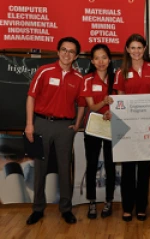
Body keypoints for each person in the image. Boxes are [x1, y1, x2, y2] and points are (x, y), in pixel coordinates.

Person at [25, 37, 85, 225]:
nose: (67, 54)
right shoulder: (44, 71)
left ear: (76, 56)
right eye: (64, 50)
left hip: (64, 128)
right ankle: (37, 209)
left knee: (64, 168)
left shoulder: (78, 78)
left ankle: (66, 209)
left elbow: (81, 104)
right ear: (58, 51)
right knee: (39, 168)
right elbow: (31, 97)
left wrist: (77, 124)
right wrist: (29, 124)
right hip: (41, 124)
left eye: (71, 51)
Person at [112, 34, 150, 221]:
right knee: (128, 171)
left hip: (148, 127)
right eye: (132, 48)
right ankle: (127, 207)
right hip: (127, 128)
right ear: (127, 50)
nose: (136, 51)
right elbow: (119, 101)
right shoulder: (121, 72)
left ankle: (141, 207)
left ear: (144, 49)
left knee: (144, 171)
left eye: (139, 47)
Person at [80, 44, 116, 219]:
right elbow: (91, 107)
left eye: (104, 57)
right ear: (92, 61)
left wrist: (113, 112)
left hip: (111, 126)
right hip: (93, 126)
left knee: (110, 165)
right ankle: (92, 202)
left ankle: (109, 201)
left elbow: (122, 102)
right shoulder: (87, 79)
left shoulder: (116, 79)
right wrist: (104, 103)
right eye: (97, 58)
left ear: (109, 60)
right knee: (92, 164)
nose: (101, 61)